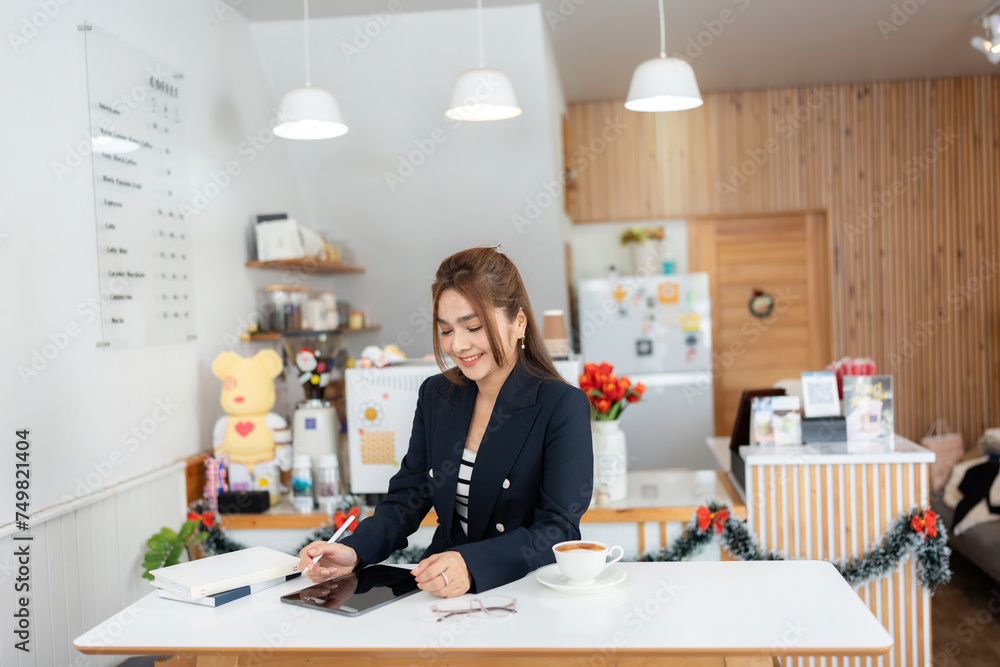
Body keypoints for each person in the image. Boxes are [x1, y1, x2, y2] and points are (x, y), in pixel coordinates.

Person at [297, 246, 593, 597]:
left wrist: (471, 564)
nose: (458, 345)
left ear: (519, 322)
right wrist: (355, 549)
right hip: (439, 586)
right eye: (446, 330)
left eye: (474, 326)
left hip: (523, 588)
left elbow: (558, 529)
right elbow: (409, 497)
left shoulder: (561, 404)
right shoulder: (437, 395)